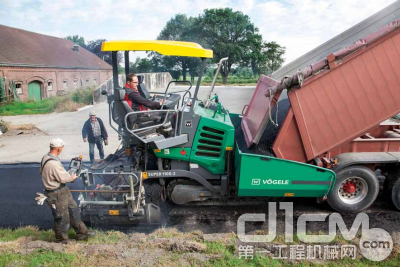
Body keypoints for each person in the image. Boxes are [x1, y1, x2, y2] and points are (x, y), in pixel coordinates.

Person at [39, 138, 94, 244]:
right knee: (62, 217)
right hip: (56, 192)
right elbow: (65, 178)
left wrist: (66, 173)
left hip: (62, 189)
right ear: (58, 149)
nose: (62, 149)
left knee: (74, 209)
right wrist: (72, 177)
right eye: (62, 148)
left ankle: (82, 232)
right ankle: (62, 240)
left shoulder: (46, 157)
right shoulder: (53, 163)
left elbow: (52, 173)